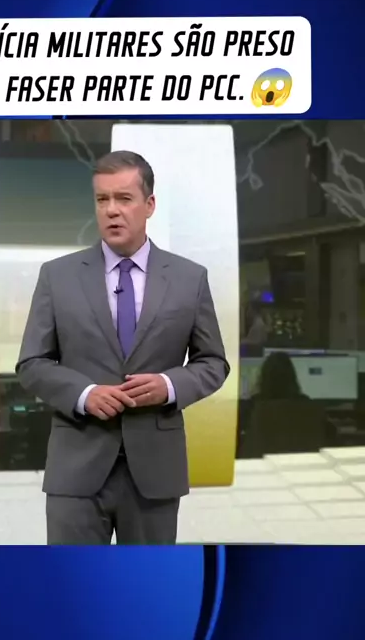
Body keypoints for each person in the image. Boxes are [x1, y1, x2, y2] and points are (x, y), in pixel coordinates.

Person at [16, 150, 229, 545]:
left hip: (154, 471)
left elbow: (213, 362)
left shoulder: (189, 279)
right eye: (102, 199)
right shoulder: (58, 276)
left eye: (124, 199)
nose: (111, 210)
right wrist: (84, 394)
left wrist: (168, 386)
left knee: (146, 582)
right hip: (76, 470)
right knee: (73, 581)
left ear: (149, 205)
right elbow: (32, 363)